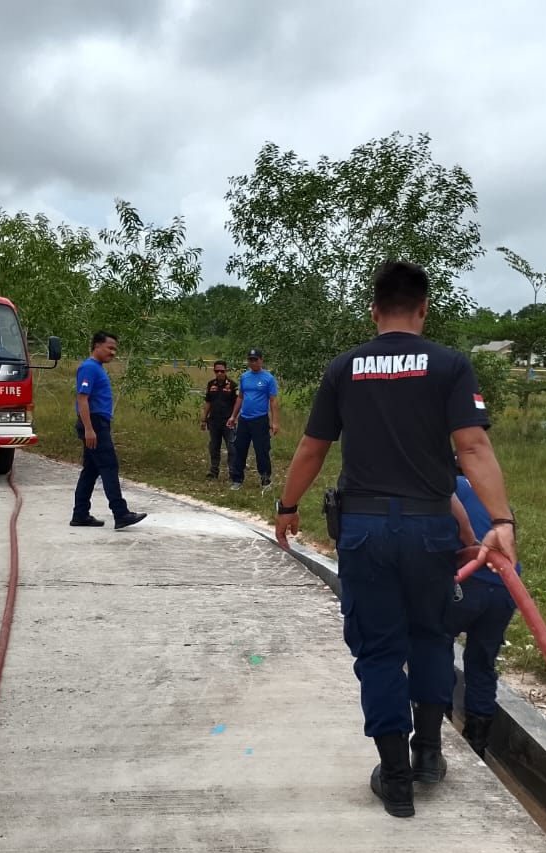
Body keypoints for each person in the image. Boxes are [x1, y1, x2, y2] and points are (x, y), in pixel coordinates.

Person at [274, 260, 517, 818]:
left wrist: (288, 508)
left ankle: (398, 778)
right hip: (431, 528)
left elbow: (312, 448)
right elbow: (474, 449)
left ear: (374, 308)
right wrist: (498, 523)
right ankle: (429, 753)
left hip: (364, 531)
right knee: (431, 636)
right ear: (424, 309)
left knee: (380, 649)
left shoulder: (344, 368)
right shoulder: (451, 366)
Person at [447, 470, 520, 759]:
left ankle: (440, 726)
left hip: (468, 579)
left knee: (437, 644)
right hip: (505, 587)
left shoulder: (449, 486)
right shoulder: (497, 501)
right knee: (482, 661)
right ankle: (477, 742)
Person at [70, 331, 147, 530]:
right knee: (109, 466)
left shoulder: (97, 368)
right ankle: (121, 513)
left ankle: (80, 514)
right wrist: (89, 429)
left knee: (91, 470)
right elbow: (82, 398)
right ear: (97, 346)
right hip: (94, 423)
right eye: (110, 348)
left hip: (98, 422)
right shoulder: (89, 368)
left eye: (115, 349)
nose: (113, 352)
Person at [226, 349, 279, 491]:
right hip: (244, 419)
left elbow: (273, 401)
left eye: (256, 359)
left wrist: (274, 422)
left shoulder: (268, 378)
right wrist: (233, 416)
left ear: (261, 360)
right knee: (240, 449)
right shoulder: (244, 377)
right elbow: (240, 397)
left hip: (260, 420)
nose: (253, 362)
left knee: (262, 450)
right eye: (251, 359)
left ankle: (265, 480)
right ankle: (237, 480)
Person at [200, 360, 238, 479]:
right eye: (217, 371)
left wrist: (235, 418)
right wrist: (203, 419)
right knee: (214, 447)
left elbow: (238, 404)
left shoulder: (232, 385)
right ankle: (213, 471)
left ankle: (233, 473)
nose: (220, 373)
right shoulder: (211, 384)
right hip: (214, 421)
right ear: (214, 371)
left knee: (231, 448)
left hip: (228, 421)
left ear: (226, 370)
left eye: (222, 371)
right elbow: (208, 402)